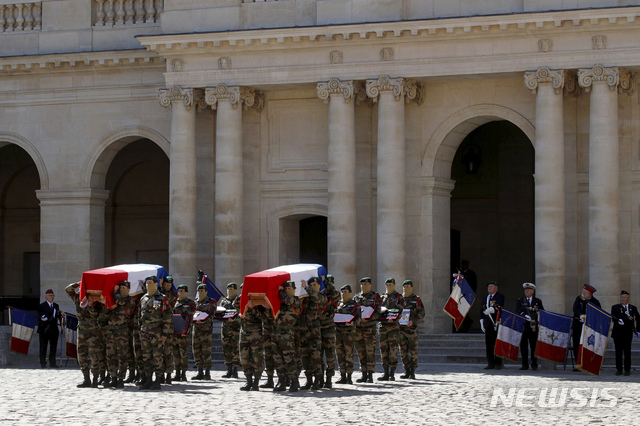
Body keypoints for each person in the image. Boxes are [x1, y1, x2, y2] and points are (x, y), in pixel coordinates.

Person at [138, 275, 173, 390]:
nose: (148, 284)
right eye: (147, 282)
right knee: (146, 357)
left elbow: (167, 317)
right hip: (145, 331)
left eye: (150, 282)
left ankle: (158, 380)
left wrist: (164, 334)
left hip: (157, 332)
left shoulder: (162, 298)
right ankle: (148, 379)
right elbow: (140, 316)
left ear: (156, 283)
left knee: (157, 356)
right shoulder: (143, 298)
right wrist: (140, 330)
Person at [65, 282, 101, 387]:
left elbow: (95, 315)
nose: (81, 291)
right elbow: (67, 290)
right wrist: (76, 284)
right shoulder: (77, 298)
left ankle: (95, 378)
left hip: (92, 330)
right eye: (81, 289)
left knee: (94, 355)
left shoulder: (94, 299)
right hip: (81, 329)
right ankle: (86, 378)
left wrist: (90, 306)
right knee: (81, 355)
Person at [271, 281, 302, 392]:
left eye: (290, 288)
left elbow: (289, 300)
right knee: (278, 359)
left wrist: (280, 291)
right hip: (276, 333)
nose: (288, 290)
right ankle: (281, 381)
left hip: (287, 334)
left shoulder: (296, 300)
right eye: (286, 288)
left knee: (289, 358)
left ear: (294, 289)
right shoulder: (281, 302)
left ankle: (294, 381)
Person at [104, 281, 135, 388]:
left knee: (122, 356)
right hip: (111, 331)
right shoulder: (114, 300)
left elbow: (120, 301)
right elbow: (106, 313)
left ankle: (121, 378)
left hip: (122, 331)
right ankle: (113, 377)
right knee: (110, 355)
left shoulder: (129, 300)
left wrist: (114, 291)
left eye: (124, 287)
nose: (121, 289)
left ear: (128, 289)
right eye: (120, 287)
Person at [236, 297, 271, 391]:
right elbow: (235, 305)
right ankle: (248, 381)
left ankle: (256, 382)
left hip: (256, 333)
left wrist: (254, 305)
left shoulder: (260, 303)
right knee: (244, 358)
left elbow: (264, 316)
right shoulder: (241, 300)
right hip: (244, 333)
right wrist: (246, 303)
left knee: (257, 358)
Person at [299, 276, 327, 390]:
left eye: (314, 285)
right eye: (310, 286)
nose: (312, 287)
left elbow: (317, 298)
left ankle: (318, 379)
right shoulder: (305, 298)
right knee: (305, 356)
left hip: (314, 331)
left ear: (319, 286)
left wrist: (306, 287)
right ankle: (309, 379)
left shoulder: (321, 296)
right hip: (303, 330)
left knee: (316, 356)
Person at [354, 277, 381, 383]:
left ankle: (370, 374)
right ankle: (363, 373)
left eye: (366, 283)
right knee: (360, 351)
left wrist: (369, 318)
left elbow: (378, 311)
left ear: (370, 284)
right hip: (359, 328)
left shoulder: (375, 297)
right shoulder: (357, 297)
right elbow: (354, 310)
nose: (364, 285)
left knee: (370, 351)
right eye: (362, 283)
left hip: (369, 328)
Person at [378, 278, 404, 381]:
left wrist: (394, 318)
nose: (389, 286)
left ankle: (392, 373)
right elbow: (378, 308)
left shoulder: (399, 297)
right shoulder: (382, 297)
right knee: (383, 349)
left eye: (391, 284)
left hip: (393, 327)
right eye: (387, 284)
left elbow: (401, 309)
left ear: (394, 285)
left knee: (393, 350)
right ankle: (385, 372)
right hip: (383, 326)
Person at [398, 280, 425, 379]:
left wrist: (413, 321)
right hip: (401, 329)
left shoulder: (416, 299)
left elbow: (422, 312)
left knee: (413, 350)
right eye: (405, 286)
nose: (406, 288)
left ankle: (413, 370)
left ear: (412, 287)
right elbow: (395, 311)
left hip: (412, 329)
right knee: (403, 351)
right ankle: (406, 370)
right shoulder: (399, 299)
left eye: (408, 286)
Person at [335, 285, 361, 384]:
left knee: (348, 354)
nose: (344, 293)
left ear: (350, 292)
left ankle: (349, 376)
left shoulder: (354, 304)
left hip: (349, 332)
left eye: (346, 291)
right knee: (340, 354)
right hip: (338, 331)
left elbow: (358, 317)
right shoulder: (338, 304)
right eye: (342, 292)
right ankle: (342, 375)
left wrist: (353, 323)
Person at [515, 283, 544, 371]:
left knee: (533, 346)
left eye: (528, 290)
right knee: (523, 346)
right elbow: (518, 311)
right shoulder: (520, 300)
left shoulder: (537, 301)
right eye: (525, 290)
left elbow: (542, 311)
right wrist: (524, 316)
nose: (526, 291)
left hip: (533, 325)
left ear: (532, 291)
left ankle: (534, 364)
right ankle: (525, 364)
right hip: (524, 325)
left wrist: (537, 317)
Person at [318, 274, 341, 388]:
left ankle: (329, 378)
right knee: (318, 355)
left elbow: (336, 295)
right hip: (317, 327)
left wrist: (326, 282)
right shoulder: (318, 295)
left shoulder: (334, 296)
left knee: (330, 354)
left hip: (329, 327)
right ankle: (320, 377)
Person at [571, 284, 600, 370]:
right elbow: (575, 309)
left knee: (589, 345)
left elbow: (598, 313)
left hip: (590, 328)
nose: (583, 294)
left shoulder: (595, 302)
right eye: (583, 292)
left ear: (589, 294)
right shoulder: (579, 299)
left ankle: (588, 364)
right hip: (578, 326)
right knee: (576, 345)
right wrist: (581, 315)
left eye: (585, 293)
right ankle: (578, 364)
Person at [611, 290, 640, 376]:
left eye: (625, 297)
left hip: (628, 333)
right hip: (618, 333)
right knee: (618, 352)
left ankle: (627, 369)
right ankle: (619, 369)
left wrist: (638, 330)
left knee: (627, 352)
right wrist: (617, 320)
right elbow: (613, 316)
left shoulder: (632, 308)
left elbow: (638, 318)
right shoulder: (615, 307)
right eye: (622, 297)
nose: (623, 299)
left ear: (628, 298)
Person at [192, 282, 216, 381]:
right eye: (199, 291)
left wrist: (204, 320)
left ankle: (207, 372)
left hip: (206, 330)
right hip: (196, 329)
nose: (200, 292)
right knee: (196, 351)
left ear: (206, 291)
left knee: (206, 351)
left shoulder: (211, 302)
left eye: (202, 291)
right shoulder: (194, 302)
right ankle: (199, 371)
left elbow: (212, 314)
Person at [172, 284, 196, 382]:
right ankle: (177, 372)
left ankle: (183, 373)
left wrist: (187, 331)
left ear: (186, 292)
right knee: (175, 354)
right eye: (179, 290)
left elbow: (190, 318)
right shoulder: (173, 302)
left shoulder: (190, 303)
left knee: (183, 354)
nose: (180, 292)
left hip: (184, 333)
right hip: (174, 332)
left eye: (182, 290)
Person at [480, 281, 504, 370]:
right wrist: (481, 321)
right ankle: (490, 363)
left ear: (496, 288)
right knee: (489, 345)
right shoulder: (485, 298)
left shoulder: (500, 296)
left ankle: (498, 363)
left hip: (496, 323)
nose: (489, 288)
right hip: (488, 324)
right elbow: (481, 310)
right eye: (488, 286)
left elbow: (499, 306)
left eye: (491, 286)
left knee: (497, 344)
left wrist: (491, 309)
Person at [219, 282, 241, 379]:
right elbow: (219, 312)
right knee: (226, 349)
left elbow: (241, 312)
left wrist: (236, 319)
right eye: (229, 288)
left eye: (232, 288)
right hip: (225, 327)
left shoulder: (238, 300)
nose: (230, 290)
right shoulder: (224, 301)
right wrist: (224, 318)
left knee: (235, 349)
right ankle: (229, 370)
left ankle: (235, 370)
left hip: (235, 327)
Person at [158, 275, 177, 384]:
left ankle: (169, 374)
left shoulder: (173, 294)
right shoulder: (159, 292)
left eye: (169, 285)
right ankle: (160, 374)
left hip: (168, 326)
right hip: (158, 325)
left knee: (168, 351)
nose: (167, 286)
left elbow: (165, 300)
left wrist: (160, 288)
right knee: (159, 352)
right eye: (165, 285)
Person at [37, 289, 62, 368]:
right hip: (44, 329)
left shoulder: (55, 306)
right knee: (43, 347)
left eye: (53, 296)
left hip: (53, 329)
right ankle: (43, 363)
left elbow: (58, 316)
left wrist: (62, 323)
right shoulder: (42, 306)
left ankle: (52, 362)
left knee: (53, 347)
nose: (52, 297)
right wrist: (43, 318)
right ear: (46, 297)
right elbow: (39, 316)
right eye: (50, 296)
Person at [458, 260, 477, 332]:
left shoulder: (471, 273)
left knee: (465, 310)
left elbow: (474, 284)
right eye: (463, 264)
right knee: (460, 310)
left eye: (465, 264)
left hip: (468, 294)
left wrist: (472, 293)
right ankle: (466, 323)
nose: (464, 266)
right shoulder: (460, 273)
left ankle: (466, 325)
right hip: (460, 294)